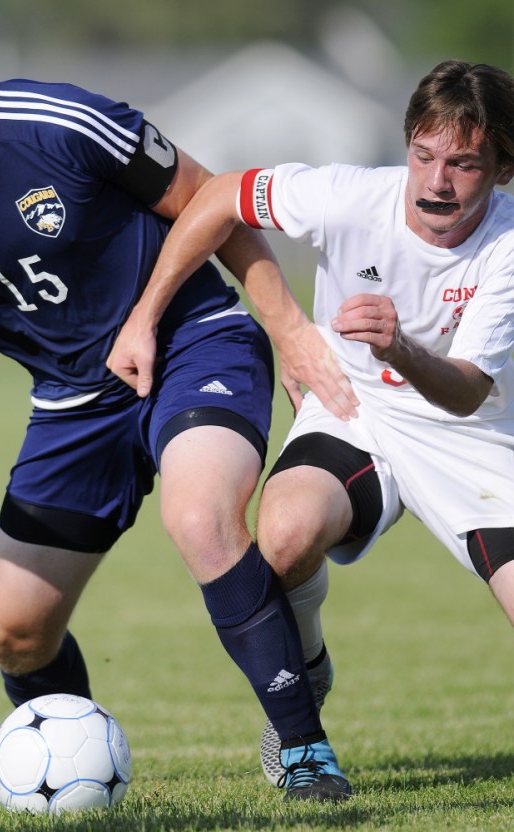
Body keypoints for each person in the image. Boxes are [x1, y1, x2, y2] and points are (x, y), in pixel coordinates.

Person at [0, 5, 358, 801]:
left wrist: (290, 327)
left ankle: (304, 747)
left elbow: (216, 204)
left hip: (193, 342)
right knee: (14, 633)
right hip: (72, 404)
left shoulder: (60, 123)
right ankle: (69, 770)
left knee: (201, 519)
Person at [109, 58, 514, 788]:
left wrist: (398, 345)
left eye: (463, 163)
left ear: (503, 169)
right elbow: (223, 195)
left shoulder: (509, 249)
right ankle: (306, 668)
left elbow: (464, 393)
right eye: (423, 156)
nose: (436, 183)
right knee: (285, 535)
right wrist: (155, 317)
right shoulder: (353, 197)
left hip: (473, 439)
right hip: (354, 408)